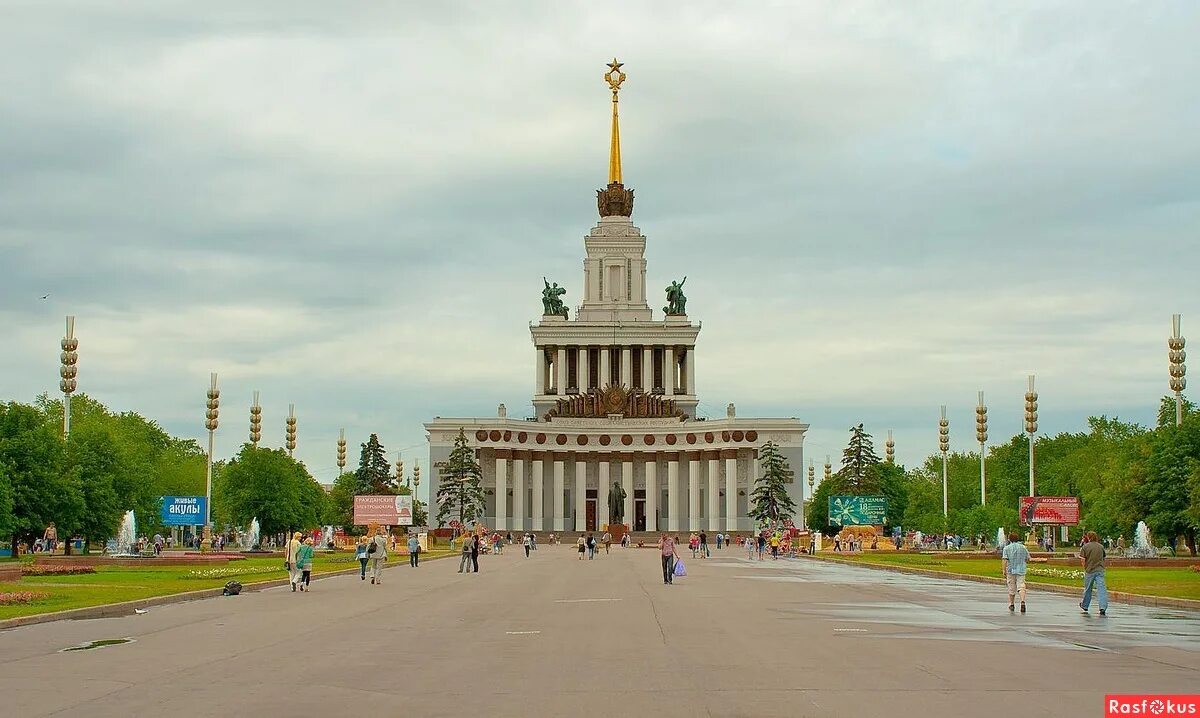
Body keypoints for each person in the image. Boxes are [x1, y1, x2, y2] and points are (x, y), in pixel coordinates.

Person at [1078, 531, 1108, 616]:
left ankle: (1085, 605)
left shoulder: (1085, 547)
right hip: (1100, 570)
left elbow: (1083, 559)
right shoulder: (1100, 546)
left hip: (1089, 571)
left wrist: (1085, 568)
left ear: (1088, 537)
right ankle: (1103, 607)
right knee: (1102, 589)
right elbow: (1103, 558)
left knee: (1088, 589)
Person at [1001, 531, 1031, 613]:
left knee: (1011, 586)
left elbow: (1005, 559)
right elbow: (1028, 558)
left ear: (1009, 539)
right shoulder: (1023, 547)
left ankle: (1011, 604)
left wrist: (1003, 570)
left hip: (1011, 569)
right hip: (1021, 569)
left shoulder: (1006, 548)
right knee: (1021, 585)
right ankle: (1022, 601)